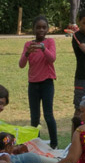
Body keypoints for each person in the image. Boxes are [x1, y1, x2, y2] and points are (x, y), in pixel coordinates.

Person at [19, 18, 59, 147]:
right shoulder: (28, 44)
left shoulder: (50, 42)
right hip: (33, 84)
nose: (41, 30)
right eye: (38, 27)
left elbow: (52, 58)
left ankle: (54, 144)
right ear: (33, 29)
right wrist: (27, 53)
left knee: (48, 115)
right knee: (34, 117)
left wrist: (43, 48)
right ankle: (36, 144)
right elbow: (21, 65)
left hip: (47, 83)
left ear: (47, 29)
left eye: (43, 27)